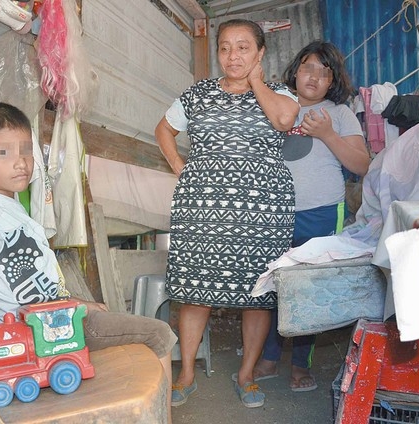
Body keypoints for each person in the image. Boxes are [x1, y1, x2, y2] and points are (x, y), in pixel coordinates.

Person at [0, 102, 177, 422]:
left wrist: (76, 302)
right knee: (160, 335)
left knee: (119, 319)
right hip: (45, 333)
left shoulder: (10, 208)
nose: (21, 162)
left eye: (25, 150)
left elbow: (37, 283)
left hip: (59, 318)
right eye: (3, 152)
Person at [155, 19, 300, 409]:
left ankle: (246, 374)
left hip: (262, 210)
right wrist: (178, 165)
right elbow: (163, 129)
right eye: (224, 48)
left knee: (257, 294)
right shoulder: (197, 94)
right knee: (195, 290)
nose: (232, 55)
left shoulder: (280, 93)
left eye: (243, 47)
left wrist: (256, 82)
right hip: (201, 206)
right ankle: (186, 373)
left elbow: (284, 121)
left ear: (260, 53)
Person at [252, 41, 370, 391]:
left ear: (333, 80)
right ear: (295, 70)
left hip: (322, 212)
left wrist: (327, 134)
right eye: (308, 68)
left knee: (309, 288)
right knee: (274, 284)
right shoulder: (279, 107)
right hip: (274, 213)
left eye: (324, 72)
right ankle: (270, 356)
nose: (314, 77)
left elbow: (362, 165)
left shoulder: (341, 113)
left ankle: (300, 364)